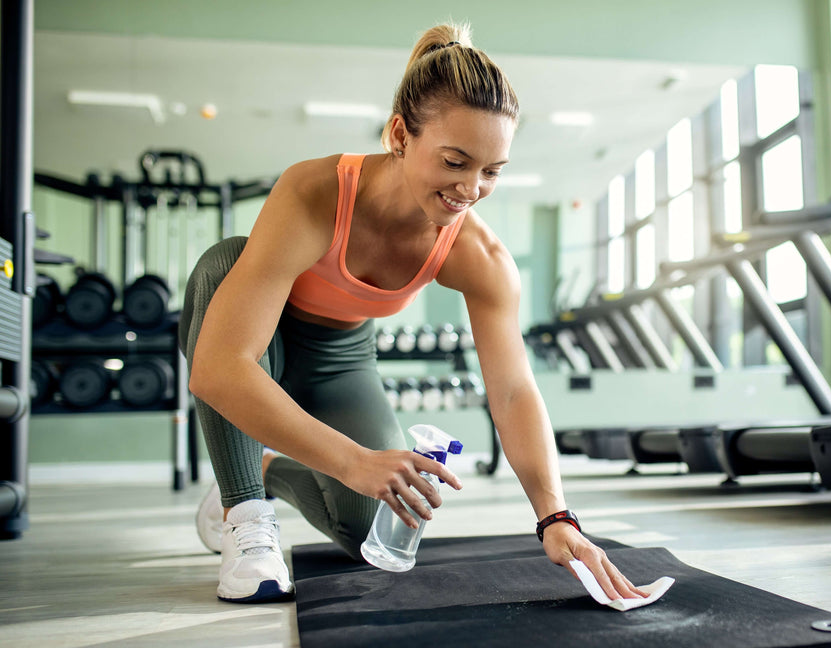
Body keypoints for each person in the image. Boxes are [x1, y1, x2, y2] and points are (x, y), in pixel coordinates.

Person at [180, 22, 645, 604]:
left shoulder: (481, 256)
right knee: (225, 261)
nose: (471, 188)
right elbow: (219, 369)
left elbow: (513, 390)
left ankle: (271, 466)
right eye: (455, 161)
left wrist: (556, 517)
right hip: (259, 338)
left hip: (341, 359)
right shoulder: (314, 192)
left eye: (492, 171)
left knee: (370, 531)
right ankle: (245, 511)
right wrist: (352, 460)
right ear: (401, 134)